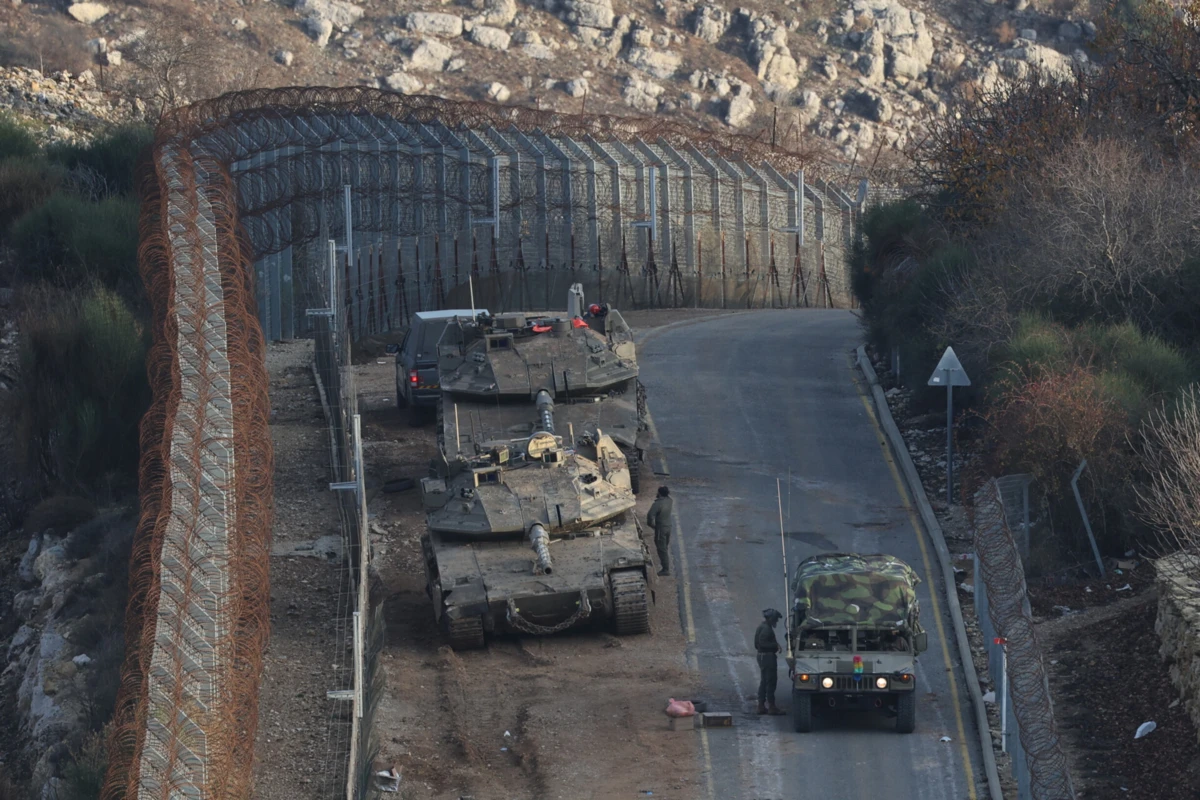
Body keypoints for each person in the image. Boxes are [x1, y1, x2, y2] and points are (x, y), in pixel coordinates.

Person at [755, 608, 787, 715]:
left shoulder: (762, 626)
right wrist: (775, 646)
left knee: (764, 681)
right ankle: (772, 706)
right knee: (771, 681)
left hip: (762, 657)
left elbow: (757, 644)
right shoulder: (767, 629)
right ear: (771, 618)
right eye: (776, 619)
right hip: (768, 657)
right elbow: (762, 643)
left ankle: (761, 705)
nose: (776, 621)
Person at [646, 486, 674, 577]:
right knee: (665, 546)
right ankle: (665, 563)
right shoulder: (670, 501)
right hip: (668, 526)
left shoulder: (658, 503)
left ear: (660, 493)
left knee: (661, 549)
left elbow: (650, 515)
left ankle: (665, 569)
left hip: (661, 529)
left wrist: (651, 525)